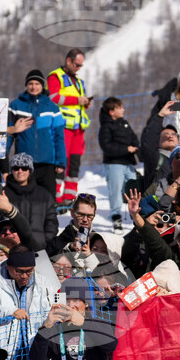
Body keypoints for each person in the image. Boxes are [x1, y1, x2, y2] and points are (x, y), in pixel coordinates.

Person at [29, 277, 117, 360]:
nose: (70, 305)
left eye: (76, 300)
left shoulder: (96, 324)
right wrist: (45, 328)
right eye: (67, 300)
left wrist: (84, 322)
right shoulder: (54, 331)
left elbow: (111, 345)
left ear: (86, 303)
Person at [8, 69, 66, 198]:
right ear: (26, 85)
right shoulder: (16, 105)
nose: (33, 87)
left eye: (37, 83)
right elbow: (9, 135)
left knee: (48, 199)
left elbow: (59, 136)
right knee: (24, 199)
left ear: (42, 85)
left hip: (47, 163)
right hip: (23, 165)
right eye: (30, 84)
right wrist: (4, 160)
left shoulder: (52, 107)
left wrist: (61, 161)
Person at [47, 48, 92, 205]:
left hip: (78, 129)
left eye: (81, 66)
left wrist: (85, 103)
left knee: (74, 163)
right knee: (61, 161)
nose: (79, 68)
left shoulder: (79, 81)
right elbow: (53, 97)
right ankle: (56, 196)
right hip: (62, 126)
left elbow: (78, 104)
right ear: (69, 61)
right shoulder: (55, 76)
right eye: (77, 65)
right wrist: (77, 100)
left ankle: (69, 197)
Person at [97, 97, 139, 232]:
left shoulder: (125, 124)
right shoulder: (105, 127)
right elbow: (106, 147)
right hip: (114, 164)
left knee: (134, 189)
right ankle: (116, 217)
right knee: (115, 191)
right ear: (111, 112)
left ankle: (136, 216)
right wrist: (126, 149)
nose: (123, 110)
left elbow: (134, 138)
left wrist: (136, 147)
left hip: (128, 163)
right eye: (120, 108)